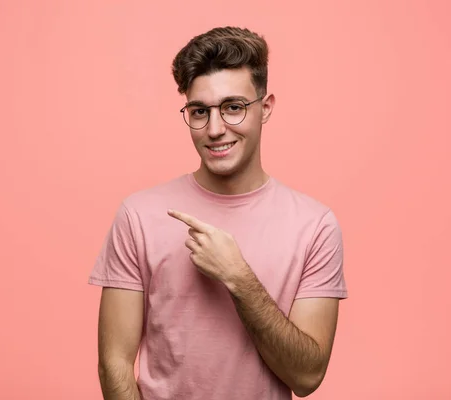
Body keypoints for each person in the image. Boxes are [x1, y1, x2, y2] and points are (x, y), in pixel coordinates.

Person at [88, 26, 348, 400]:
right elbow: (114, 362)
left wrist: (239, 279)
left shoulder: (315, 226)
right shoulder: (139, 215)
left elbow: (306, 377)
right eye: (199, 111)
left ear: (266, 108)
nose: (214, 129)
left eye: (233, 107)